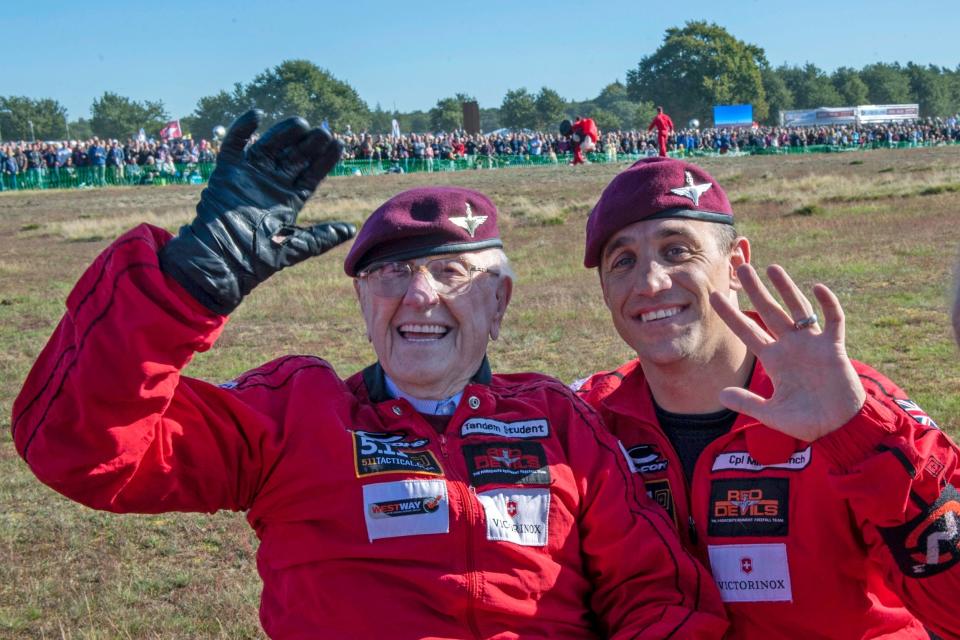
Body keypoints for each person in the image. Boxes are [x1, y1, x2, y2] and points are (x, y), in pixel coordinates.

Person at [12, 111, 728, 639]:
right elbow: (80, 448)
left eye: (452, 273)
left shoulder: (558, 420)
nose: (418, 297)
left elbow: (656, 594)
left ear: (499, 301)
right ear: (362, 304)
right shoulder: (297, 415)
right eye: (389, 275)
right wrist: (182, 291)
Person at [574, 156, 960, 639]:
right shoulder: (587, 422)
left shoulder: (846, 402)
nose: (650, 283)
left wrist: (858, 438)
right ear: (606, 291)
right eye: (623, 261)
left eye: (677, 251)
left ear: (735, 266)